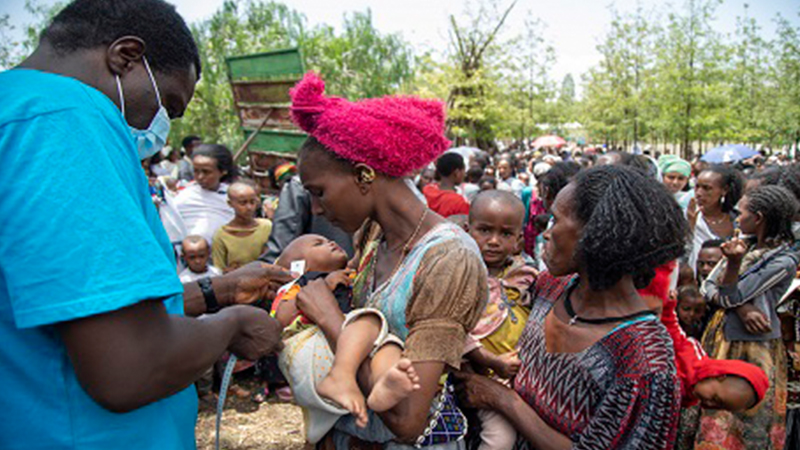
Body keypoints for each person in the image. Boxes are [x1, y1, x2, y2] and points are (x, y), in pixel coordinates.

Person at [0, 0, 288, 448]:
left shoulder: (15, 108)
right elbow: (128, 367)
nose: (160, 130)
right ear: (126, 57)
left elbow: (71, 305)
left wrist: (218, 291)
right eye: (167, 105)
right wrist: (231, 325)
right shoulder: (66, 122)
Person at [288, 72, 488, 448]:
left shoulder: (449, 259)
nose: (316, 208)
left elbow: (409, 419)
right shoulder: (372, 234)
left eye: (319, 192)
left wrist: (329, 318)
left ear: (364, 175)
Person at [454, 165, 688, 450]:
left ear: (598, 235)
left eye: (555, 220)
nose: (547, 234)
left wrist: (502, 400)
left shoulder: (644, 362)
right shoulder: (549, 288)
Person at [272, 234, 422, 442]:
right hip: (312, 347)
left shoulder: (350, 276)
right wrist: (324, 283)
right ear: (297, 267)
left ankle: (382, 385)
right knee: (371, 321)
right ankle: (343, 375)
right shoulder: (299, 283)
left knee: (387, 343)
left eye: (327, 239)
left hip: (337, 353)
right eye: (318, 244)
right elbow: (281, 317)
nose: (330, 242)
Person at [696, 185, 800, 449]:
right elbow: (706, 287)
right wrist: (741, 308)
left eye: (740, 213)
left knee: (747, 420)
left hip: (753, 347)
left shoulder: (783, 261)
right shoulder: (744, 245)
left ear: (759, 217)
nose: (736, 218)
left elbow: (727, 295)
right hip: (722, 337)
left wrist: (732, 268)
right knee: (713, 410)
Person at [463, 191, 537, 450]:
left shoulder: (525, 276)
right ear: (466, 229)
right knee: (500, 439)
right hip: (473, 372)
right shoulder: (460, 274)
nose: (493, 241)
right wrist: (487, 359)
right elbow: (451, 328)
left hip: (518, 376)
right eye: (484, 230)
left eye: (505, 234)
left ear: (518, 240)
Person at [174, 143, 237, 245]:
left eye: (206, 172)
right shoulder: (183, 197)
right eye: (196, 171)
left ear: (223, 171)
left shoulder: (235, 197)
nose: (200, 177)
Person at [687, 165, 744, 271]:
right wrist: (690, 226)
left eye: (706, 188)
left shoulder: (738, 220)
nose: (699, 193)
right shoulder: (691, 218)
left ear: (724, 190)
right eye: (697, 187)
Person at [212, 180, 272, 273]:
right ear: (230, 203)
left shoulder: (266, 227)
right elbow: (219, 270)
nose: (249, 207)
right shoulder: (221, 235)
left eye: (252, 202)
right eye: (243, 203)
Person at [423, 153, 470, 218]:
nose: (465, 175)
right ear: (457, 173)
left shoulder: (427, 190)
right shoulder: (459, 203)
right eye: (464, 171)